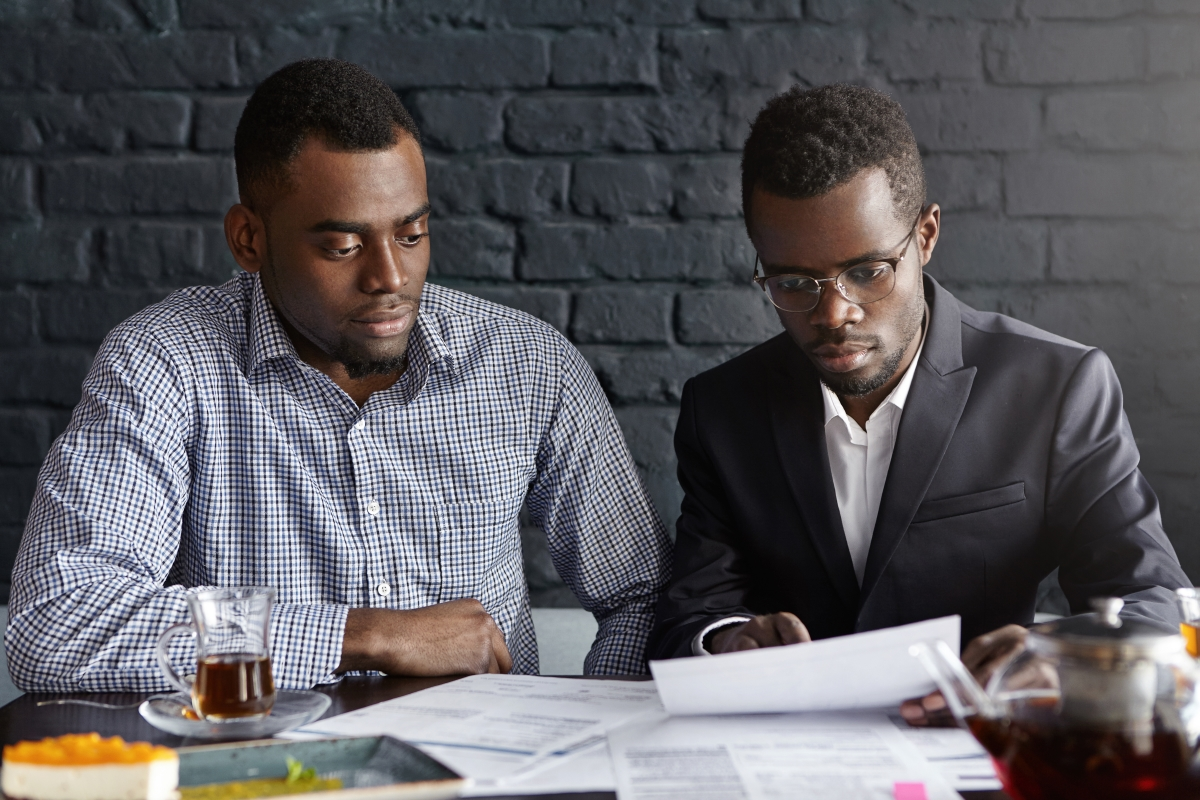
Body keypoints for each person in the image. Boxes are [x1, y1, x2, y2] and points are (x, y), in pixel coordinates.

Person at [6, 59, 670, 691]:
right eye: (342, 247)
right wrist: (363, 635)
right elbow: (56, 621)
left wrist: (581, 727)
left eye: (411, 234)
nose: (391, 277)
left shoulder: (529, 365)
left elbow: (646, 597)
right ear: (249, 240)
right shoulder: (164, 364)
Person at [646, 84, 1191, 724]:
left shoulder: (1057, 387)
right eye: (793, 283)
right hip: (790, 762)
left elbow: (1149, 594)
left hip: (974, 750)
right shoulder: (722, 410)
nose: (835, 313)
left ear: (926, 235)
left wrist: (1062, 657)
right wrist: (728, 642)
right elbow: (692, 617)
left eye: (868, 271)